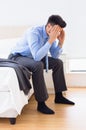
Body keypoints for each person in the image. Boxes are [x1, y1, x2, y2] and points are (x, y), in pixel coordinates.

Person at [8, 15, 75, 115]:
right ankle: (41, 103)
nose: (57, 33)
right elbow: (37, 57)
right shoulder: (34, 33)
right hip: (18, 57)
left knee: (58, 63)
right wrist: (51, 40)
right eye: (56, 30)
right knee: (38, 65)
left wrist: (60, 43)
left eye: (59, 31)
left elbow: (55, 56)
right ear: (49, 26)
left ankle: (59, 96)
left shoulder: (50, 35)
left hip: (33, 57)